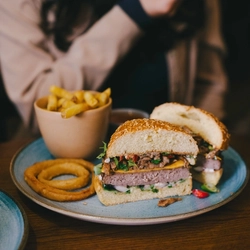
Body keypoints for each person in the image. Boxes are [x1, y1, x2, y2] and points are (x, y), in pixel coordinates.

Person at [0, 0, 228, 134]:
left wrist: (201, 144)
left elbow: (209, 83)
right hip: (61, 155)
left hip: (166, 154)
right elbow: (35, 109)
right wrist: (133, 14)